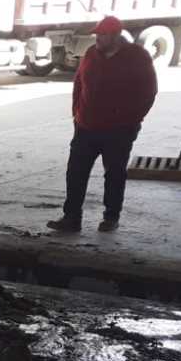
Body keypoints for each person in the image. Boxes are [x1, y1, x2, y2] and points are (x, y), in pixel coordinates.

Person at [47, 15, 157, 233]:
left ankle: (111, 217)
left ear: (116, 36)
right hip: (86, 126)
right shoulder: (91, 54)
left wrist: (131, 121)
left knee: (114, 174)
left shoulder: (137, 57)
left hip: (119, 130)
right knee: (75, 172)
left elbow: (149, 92)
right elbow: (79, 83)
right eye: (97, 34)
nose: (98, 38)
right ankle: (71, 217)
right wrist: (77, 114)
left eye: (103, 35)